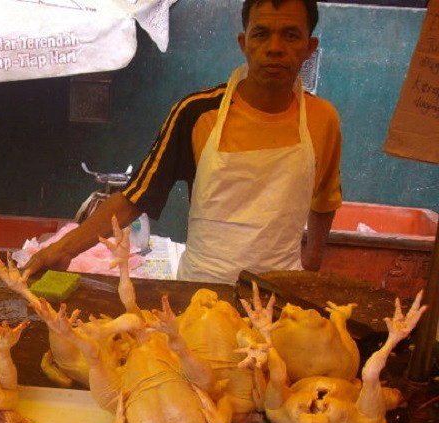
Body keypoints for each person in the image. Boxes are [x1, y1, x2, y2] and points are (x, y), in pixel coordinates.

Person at [24, 0, 342, 285]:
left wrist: (311, 265)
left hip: (279, 292)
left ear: (309, 46)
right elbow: (135, 197)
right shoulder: (196, 113)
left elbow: (325, 200)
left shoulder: (322, 119)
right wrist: (63, 249)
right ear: (244, 44)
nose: (275, 47)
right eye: (261, 34)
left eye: (290, 35)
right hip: (202, 292)